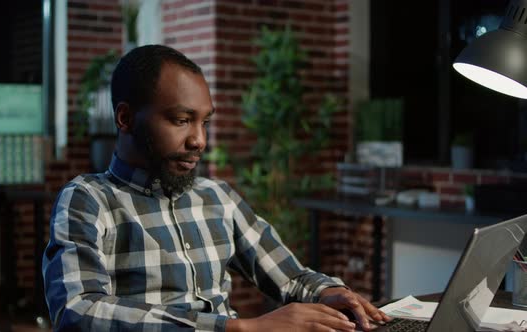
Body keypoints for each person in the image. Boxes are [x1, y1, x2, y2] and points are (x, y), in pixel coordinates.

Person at [43, 45, 391, 331]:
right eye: (181, 120)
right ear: (125, 118)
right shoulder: (88, 199)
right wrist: (235, 329)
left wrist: (328, 292)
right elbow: (78, 311)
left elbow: (292, 278)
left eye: (205, 122)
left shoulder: (217, 197)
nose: (199, 140)